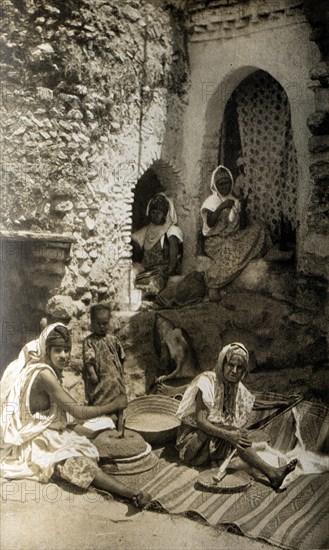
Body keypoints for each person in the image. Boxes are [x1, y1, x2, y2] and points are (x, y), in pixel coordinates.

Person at [0, 322, 150, 508]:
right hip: (35, 440)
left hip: (47, 428)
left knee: (100, 428)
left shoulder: (47, 369)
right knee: (79, 464)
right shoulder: (43, 375)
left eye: (66, 350)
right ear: (47, 352)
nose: (63, 355)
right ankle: (132, 494)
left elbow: (62, 415)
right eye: (58, 351)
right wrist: (115, 404)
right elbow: (77, 411)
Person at [176, 342, 298, 490]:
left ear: (244, 370)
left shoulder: (235, 386)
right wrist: (228, 435)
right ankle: (272, 473)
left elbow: (253, 402)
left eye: (239, 367)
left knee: (239, 437)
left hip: (213, 438)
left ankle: (273, 474)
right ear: (222, 363)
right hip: (194, 444)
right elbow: (201, 422)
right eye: (230, 364)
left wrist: (284, 402)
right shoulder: (207, 382)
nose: (234, 371)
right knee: (236, 436)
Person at [201, 165, 271, 301]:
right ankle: (214, 284)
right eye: (220, 184)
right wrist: (221, 207)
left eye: (226, 183)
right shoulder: (211, 201)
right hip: (216, 241)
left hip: (233, 237)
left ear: (231, 182)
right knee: (230, 250)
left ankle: (253, 251)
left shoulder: (235, 200)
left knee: (259, 227)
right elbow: (209, 223)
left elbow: (242, 226)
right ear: (215, 185)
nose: (224, 187)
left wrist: (242, 208)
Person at [82, 304, 127, 426]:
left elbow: (121, 356)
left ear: (109, 322)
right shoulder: (89, 341)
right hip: (100, 380)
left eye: (105, 323)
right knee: (100, 401)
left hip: (115, 380)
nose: (102, 327)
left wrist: (121, 373)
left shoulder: (113, 339)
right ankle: (102, 422)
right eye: (98, 323)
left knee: (118, 401)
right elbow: (88, 359)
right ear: (92, 323)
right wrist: (92, 373)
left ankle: (119, 424)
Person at [132, 193, 183, 296]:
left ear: (165, 214)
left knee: (152, 285)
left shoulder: (171, 230)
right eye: (153, 212)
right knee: (130, 277)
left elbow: (173, 260)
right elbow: (133, 239)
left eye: (158, 213)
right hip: (148, 270)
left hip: (164, 271)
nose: (155, 216)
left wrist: (168, 272)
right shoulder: (148, 230)